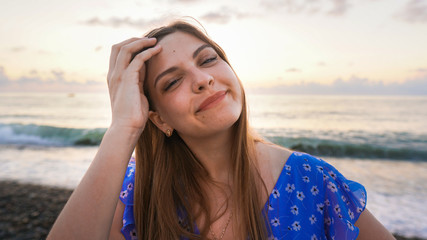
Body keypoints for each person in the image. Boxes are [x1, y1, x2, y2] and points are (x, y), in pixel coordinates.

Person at [47, 20, 395, 240]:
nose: (202, 80)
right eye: (172, 82)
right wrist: (123, 127)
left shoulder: (311, 179)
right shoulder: (138, 196)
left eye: (208, 59)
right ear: (159, 119)